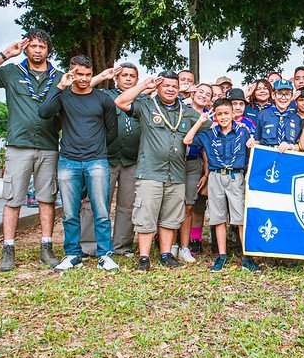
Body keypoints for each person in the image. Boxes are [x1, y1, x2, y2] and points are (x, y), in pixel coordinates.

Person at [0, 29, 62, 271]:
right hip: (19, 145)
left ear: (48, 50)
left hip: (49, 145)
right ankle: (8, 248)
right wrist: (5, 55)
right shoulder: (12, 72)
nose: (38, 51)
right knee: (13, 199)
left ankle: (46, 247)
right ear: (26, 48)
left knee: (47, 198)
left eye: (42, 47)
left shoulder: (59, 78)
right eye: (33, 46)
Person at [37, 55, 119, 272]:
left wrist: (96, 148)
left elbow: (112, 132)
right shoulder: (63, 97)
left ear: (92, 74)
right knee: (71, 212)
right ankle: (72, 254)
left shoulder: (103, 99)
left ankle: (105, 255)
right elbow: (44, 113)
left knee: (101, 210)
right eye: (79, 74)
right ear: (71, 73)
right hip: (68, 161)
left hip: (97, 161)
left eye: (88, 75)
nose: (83, 79)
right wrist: (59, 86)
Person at [115, 71, 201, 271]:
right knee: (146, 214)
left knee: (171, 217)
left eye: (174, 86)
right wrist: (144, 85)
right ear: (159, 87)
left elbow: (210, 123)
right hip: (150, 172)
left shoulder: (186, 111)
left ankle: (166, 254)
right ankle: (144, 257)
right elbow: (120, 101)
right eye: (166, 86)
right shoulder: (146, 105)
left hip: (177, 173)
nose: (170, 89)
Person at [183, 98, 261, 273]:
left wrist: (253, 143)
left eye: (227, 113)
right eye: (219, 114)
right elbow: (187, 141)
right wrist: (201, 121)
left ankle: (246, 257)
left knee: (240, 218)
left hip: (236, 176)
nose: (224, 117)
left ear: (233, 113)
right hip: (216, 176)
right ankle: (222, 255)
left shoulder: (243, 132)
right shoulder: (209, 134)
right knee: (218, 217)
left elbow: (255, 150)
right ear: (215, 116)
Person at [79, 63, 143, 257]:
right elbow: (83, 87)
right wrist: (101, 76)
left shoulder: (144, 100)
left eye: (132, 76)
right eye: (124, 75)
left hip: (132, 161)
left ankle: (121, 246)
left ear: (137, 80)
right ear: (117, 78)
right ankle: (89, 245)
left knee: (127, 205)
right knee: (96, 202)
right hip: (105, 158)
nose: (128, 79)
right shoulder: (104, 96)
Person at [180, 83, 213, 260]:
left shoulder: (209, 120)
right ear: (193, 93)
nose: (203, 96)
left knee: (190, 204)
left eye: (207, 94)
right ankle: (170, 243)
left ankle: (186, 245)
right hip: (175, 162)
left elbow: (206, 149)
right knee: (170, 203)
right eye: (200, 92)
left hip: (194, 163)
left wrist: (206, 173)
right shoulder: (180, 110)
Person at [254, 79, 300, 151]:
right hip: (267, 157)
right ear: (273, 95)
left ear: (291, 97)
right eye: (279, 94)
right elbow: (257, 140)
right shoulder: (263, 114)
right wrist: (252, 142)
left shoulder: (296, 119)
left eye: (287, 94)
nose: (283, 98)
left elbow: (301, 146)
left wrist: (290, 146)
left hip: (288, 159)